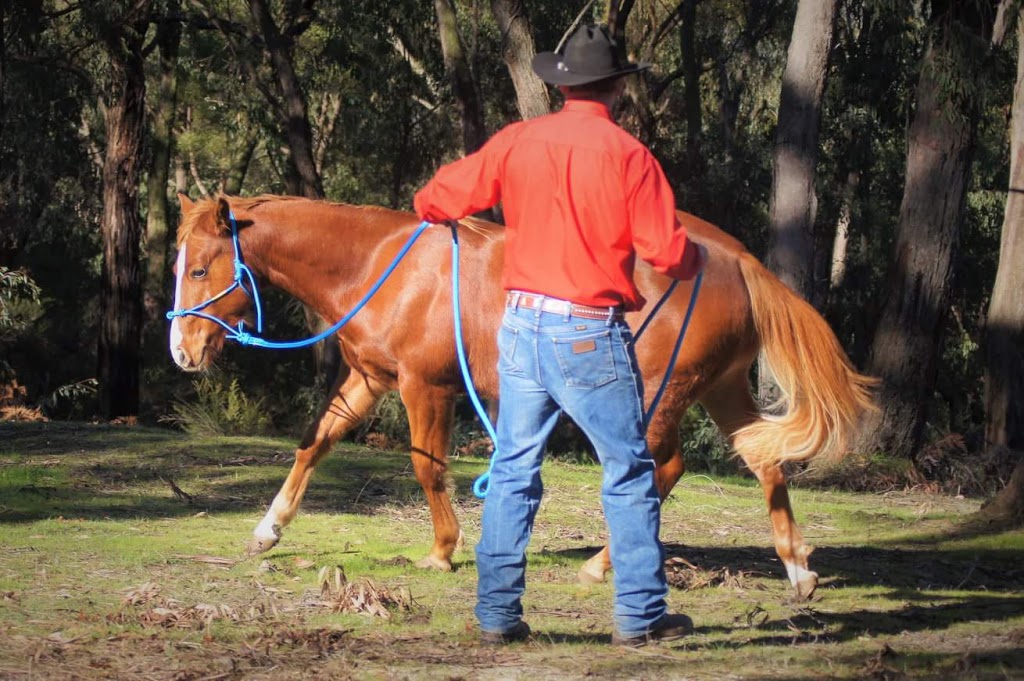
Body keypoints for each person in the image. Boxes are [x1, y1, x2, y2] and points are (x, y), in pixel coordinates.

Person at [414, 23, 704, 647]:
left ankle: (495, 616)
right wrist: (693, 260)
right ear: (617, 89)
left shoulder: (520, 140)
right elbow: (665, 250)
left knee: (514, 468)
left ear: (562, 85)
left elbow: (437, 199)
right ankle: (639, 616)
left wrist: (432, 201)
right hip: (588, 332)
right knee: (627, 471)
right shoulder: (631, 157)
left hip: (519, 326)